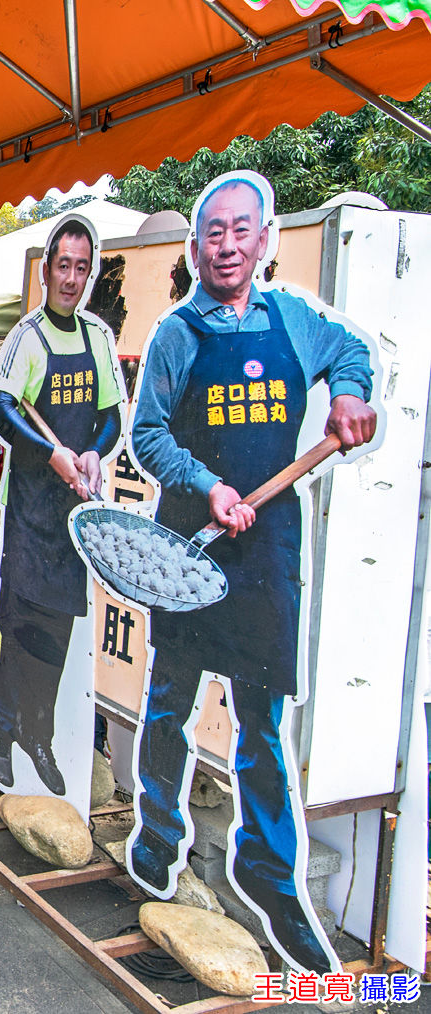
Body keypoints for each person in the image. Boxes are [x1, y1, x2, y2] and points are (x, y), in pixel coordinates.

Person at [127, 175, 376, 973]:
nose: (228, 246)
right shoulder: (177, 333)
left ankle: (267, 870)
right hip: (191, 541)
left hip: (266, 552)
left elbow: (351, 353)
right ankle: (157, 833)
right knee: (170, 699)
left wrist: (349, 394)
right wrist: (208, 486)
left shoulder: (293, 318)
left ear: (264, 240)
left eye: (242, 231)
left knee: (260, 719)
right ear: (196, 245)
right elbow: (147, 434)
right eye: (214, 233)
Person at [0, 217, 124, 798]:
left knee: (58, 626)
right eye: (63, 266)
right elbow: (3, 410)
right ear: (47, 271)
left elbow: (112, 414)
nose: (71, 278)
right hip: (30, 509)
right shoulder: (28, 337)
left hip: (74, 512)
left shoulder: (98, 338)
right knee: (18, 625)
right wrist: (50, 454)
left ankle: (38, 734)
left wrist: (93, 451)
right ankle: (4, 727)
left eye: (81, 268)